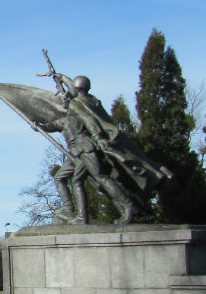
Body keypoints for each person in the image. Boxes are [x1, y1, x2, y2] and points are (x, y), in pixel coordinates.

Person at [37, 74, 139, 224]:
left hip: (86, 148)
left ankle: (126, 206)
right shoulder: (87, 102)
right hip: (80, 151)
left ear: (76, 89)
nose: (65, 96)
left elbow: (89, 122)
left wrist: (98, 138)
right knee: (68, 178)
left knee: (98, 178)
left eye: (68, 92)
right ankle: (72, 210)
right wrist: (39, 126)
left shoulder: (78, 104)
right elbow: (56, 124)